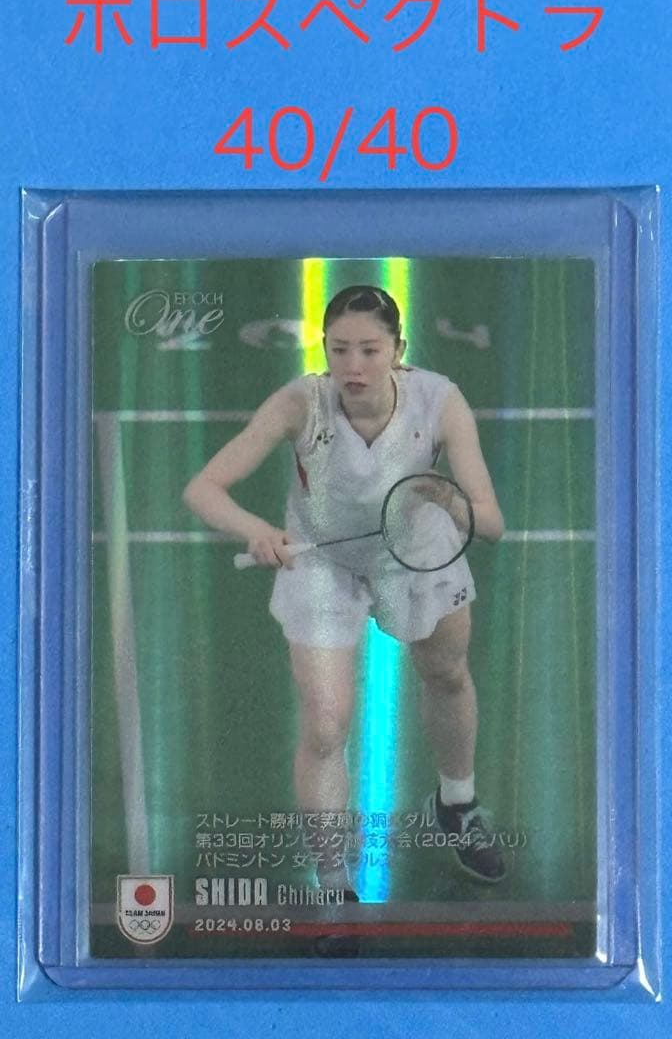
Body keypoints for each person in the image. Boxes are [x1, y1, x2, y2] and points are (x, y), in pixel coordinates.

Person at [183, 285, 506, 895]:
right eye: (340, 350)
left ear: (398, 350)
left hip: (416, 552)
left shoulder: (440, 402)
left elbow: (490, 524)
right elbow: (203, 489)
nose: (353, 366)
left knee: (446, 675)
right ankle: (334, 877)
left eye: (370, 350)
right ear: (325, 349)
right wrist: (257, 531)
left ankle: (457, 804)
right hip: (323, 560)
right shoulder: (298, 403)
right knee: (327, 727)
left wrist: (445, 496)